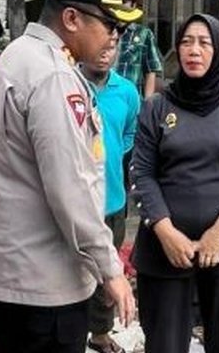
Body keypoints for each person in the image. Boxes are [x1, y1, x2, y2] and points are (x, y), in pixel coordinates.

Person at [0, 0, 136, 353]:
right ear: (72, 18)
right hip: (40, 280)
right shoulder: (52, 75)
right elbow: (71, 187)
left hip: (8, 269)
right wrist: (109, 268)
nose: (114, 36)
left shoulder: (18, 55)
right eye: (110, 24)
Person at [130, 14, 219, 353]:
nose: (194, 50)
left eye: (205, 43)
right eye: (186, 42)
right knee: (164, 344)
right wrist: (166, 232)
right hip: (165, 248)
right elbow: (141, 172)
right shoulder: (157, 106)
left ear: (218, 50)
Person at [81, 38, 143, 353]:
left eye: (112, 47)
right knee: (73, 271)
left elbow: (132, 129)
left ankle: (100, 332)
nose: (105, 52)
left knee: (108, 270)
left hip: (113, 197)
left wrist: (114, 149)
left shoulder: (127, 91)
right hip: (76, 199)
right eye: (100, 45)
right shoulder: (69, 85)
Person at [115, 0, 164, 97]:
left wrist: (147, 102)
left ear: (133, 6)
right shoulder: (105, 31)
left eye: (124, 6)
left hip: (132, 98)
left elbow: (151, 70)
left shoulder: (144, 34)